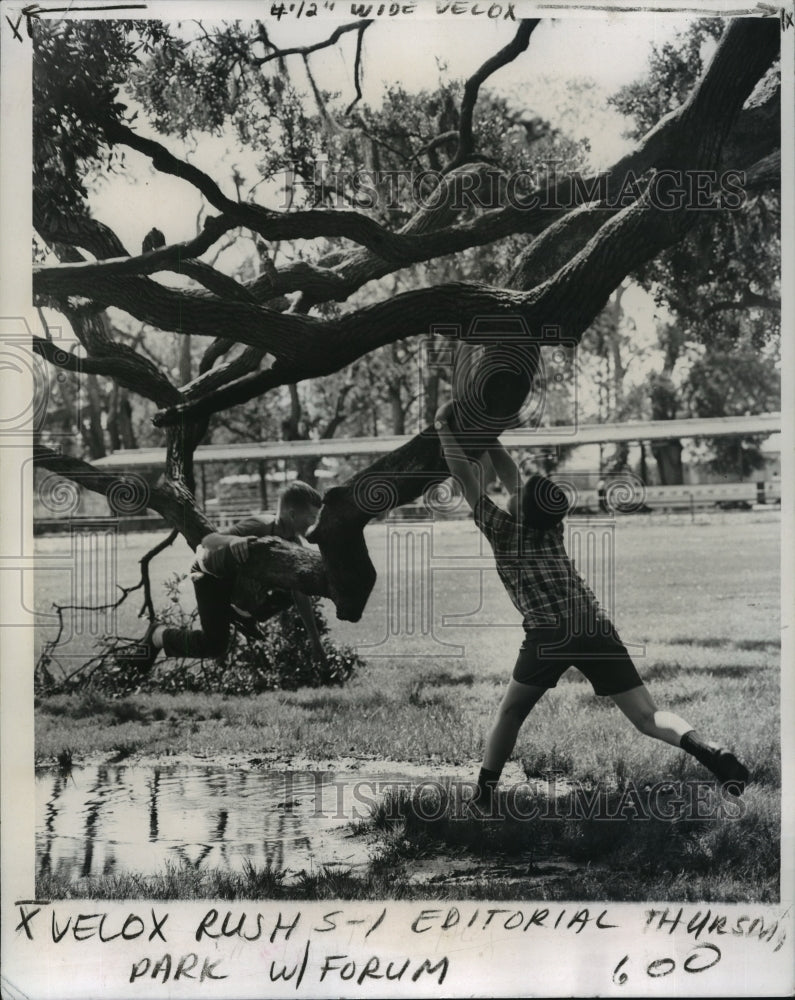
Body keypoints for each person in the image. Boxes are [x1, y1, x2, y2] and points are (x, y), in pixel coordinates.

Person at [433, 401, 750, 816]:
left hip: (548, 633)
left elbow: (465, 476)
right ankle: (709, 750)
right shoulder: (551, 528)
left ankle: (484, 797)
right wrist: (488, 432)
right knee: (647, 716)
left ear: (520, 507)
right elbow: (514, 481)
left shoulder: (502, 529)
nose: (513, 492)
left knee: (510, 712)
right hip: (593, 622)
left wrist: (443, 425)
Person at [122, 481, 327, 673]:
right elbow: (209, 540)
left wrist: (315, 641)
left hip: (236, 581)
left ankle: (243, 614)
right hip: (209, 575)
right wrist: (232, 541)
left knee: (296, 583)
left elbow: (300, 594)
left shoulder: (294, 544)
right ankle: (157, 635)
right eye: (311, 517)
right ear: (292, 514)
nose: (314, 524)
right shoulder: (261, 524)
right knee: (214, 645)